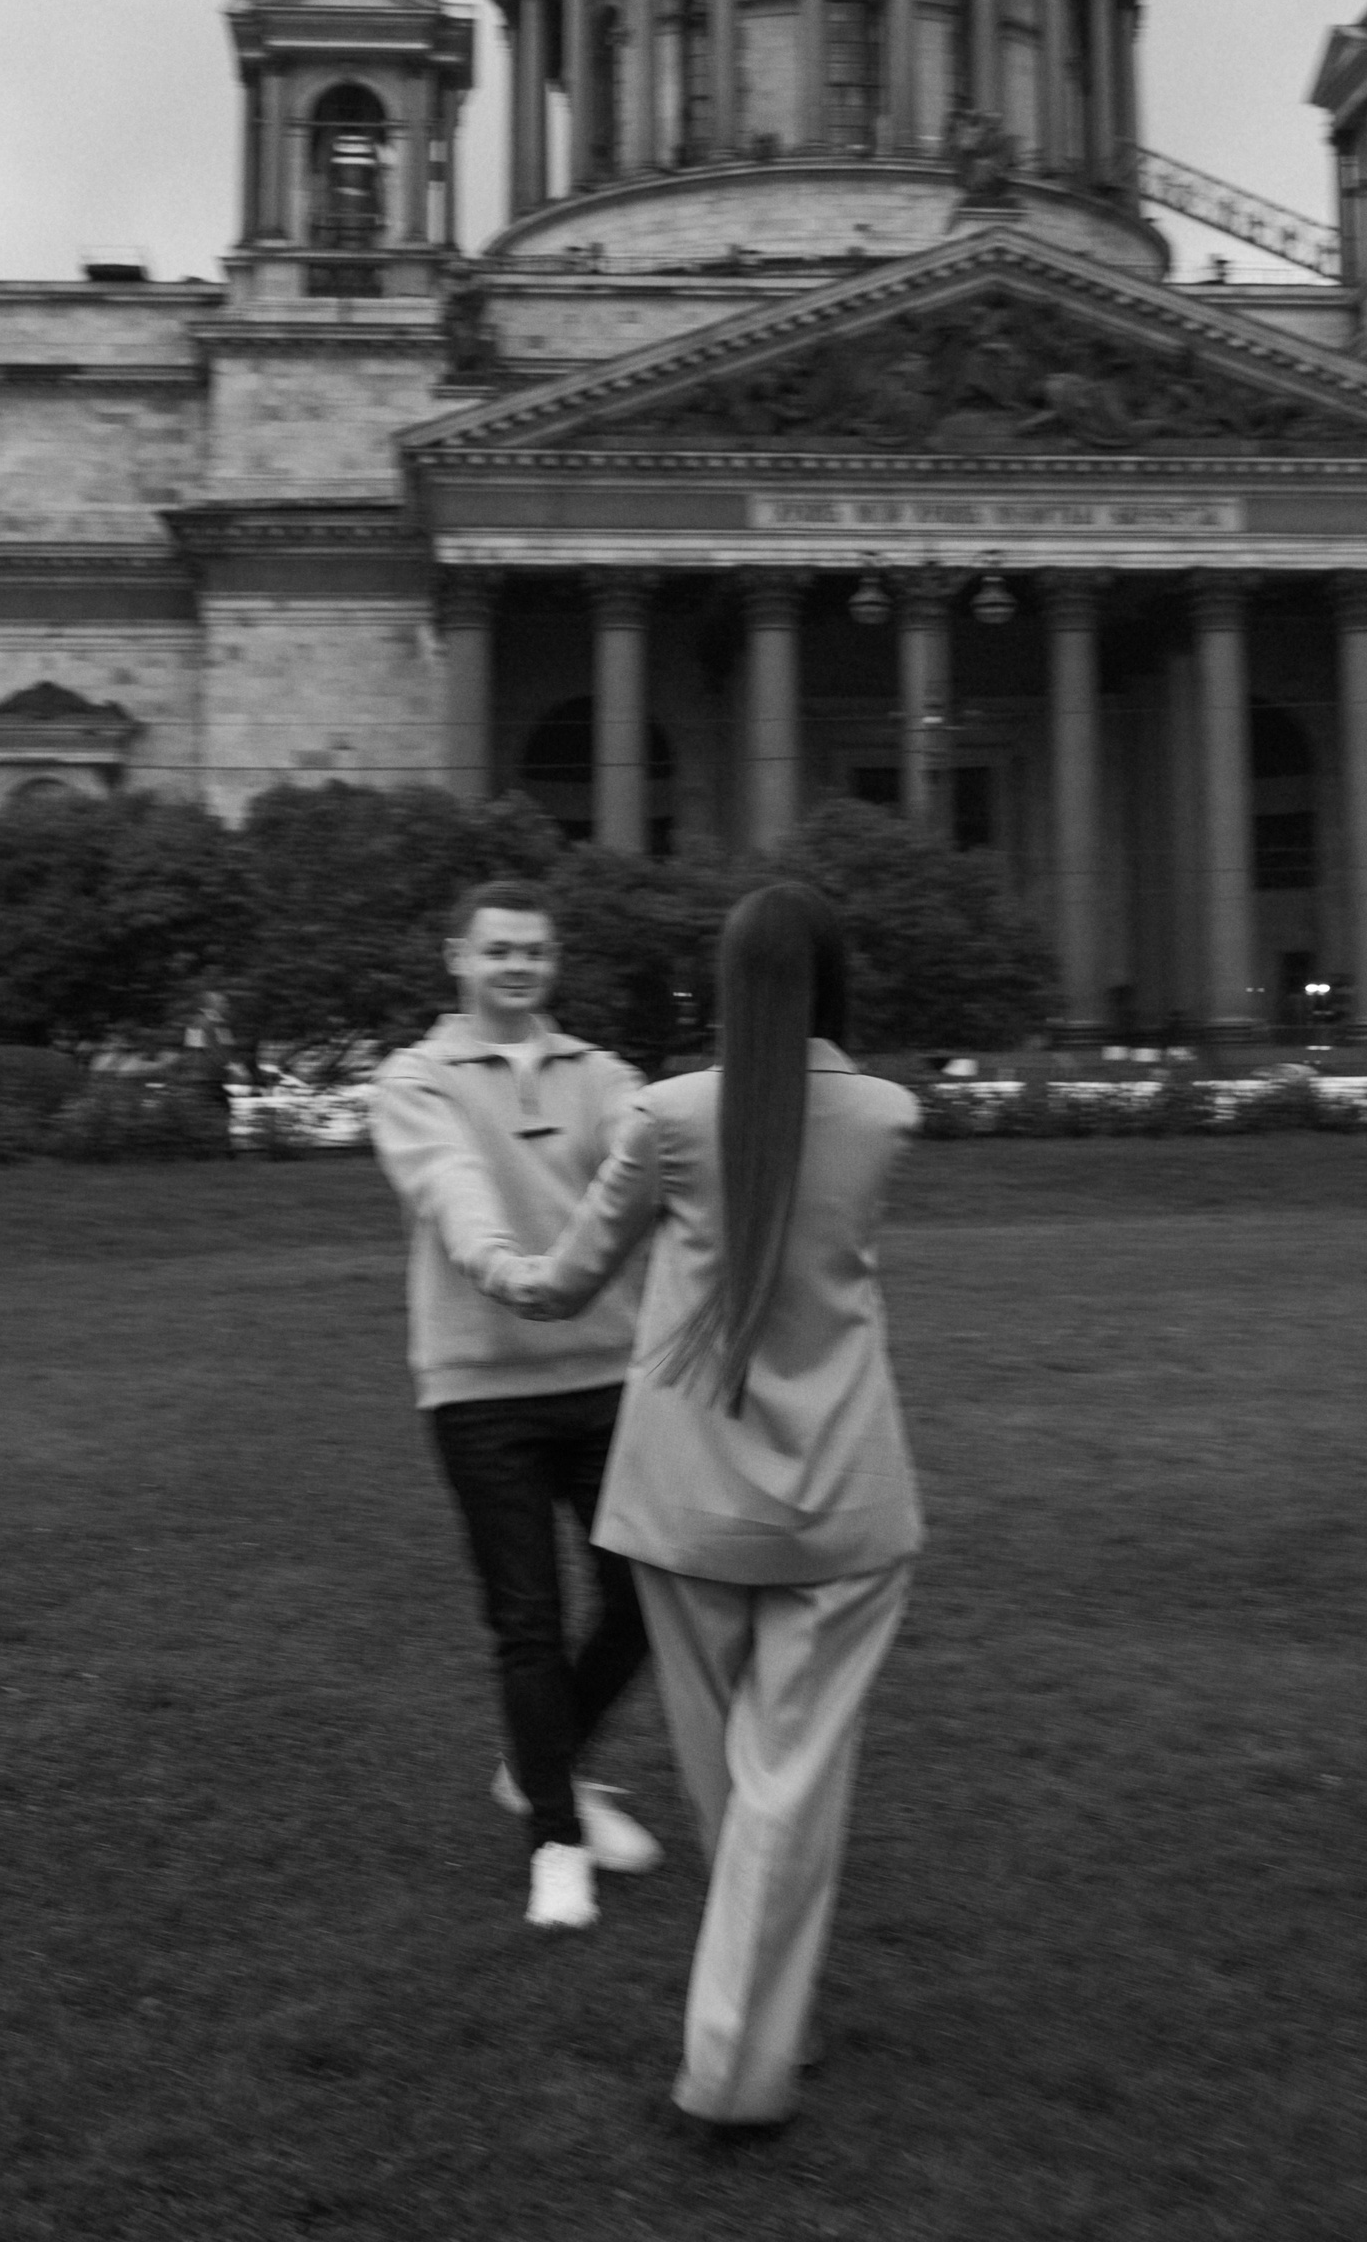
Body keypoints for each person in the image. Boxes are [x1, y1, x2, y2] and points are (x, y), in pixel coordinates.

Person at [486, 882, 923, 2131]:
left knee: (734, 1784)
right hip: (842, 1500)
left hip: (687, 1504)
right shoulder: (888, 1115)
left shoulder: (668, 1117)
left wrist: (481, 1258)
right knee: (786, 1784)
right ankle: (766, 2028)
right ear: (835, 982)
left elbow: (566, 1282)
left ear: (726, 986)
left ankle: (739, 2066)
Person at [368, 876, 661, 1932]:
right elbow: (452, 1184)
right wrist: (509, 1271)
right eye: (497, 950)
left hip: (608, 1378)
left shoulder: (605, 1076)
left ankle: (543, 1765)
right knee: (526, 1619)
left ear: (553, 960)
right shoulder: (417, 1079)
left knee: (648, 1597)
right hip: (481, 1389)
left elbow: (653, 1164)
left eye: (533, 950)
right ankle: (556, 1839)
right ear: (457, 958)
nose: (517, 966)